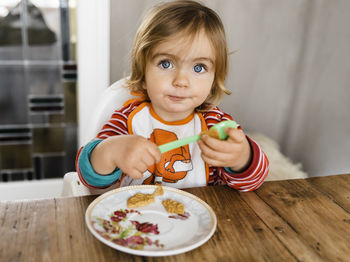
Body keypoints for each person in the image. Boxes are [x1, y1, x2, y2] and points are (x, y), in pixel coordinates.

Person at [76, 0, 269, 192]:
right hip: (134, 217)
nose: (181, 81)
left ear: (213, 79)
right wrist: (111, 151)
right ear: (143, 75)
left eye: (199, 67)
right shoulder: (127, 119)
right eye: (166, 64)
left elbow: (252, 182)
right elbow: (87, 179)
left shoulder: (215, 124)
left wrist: (242, 157)